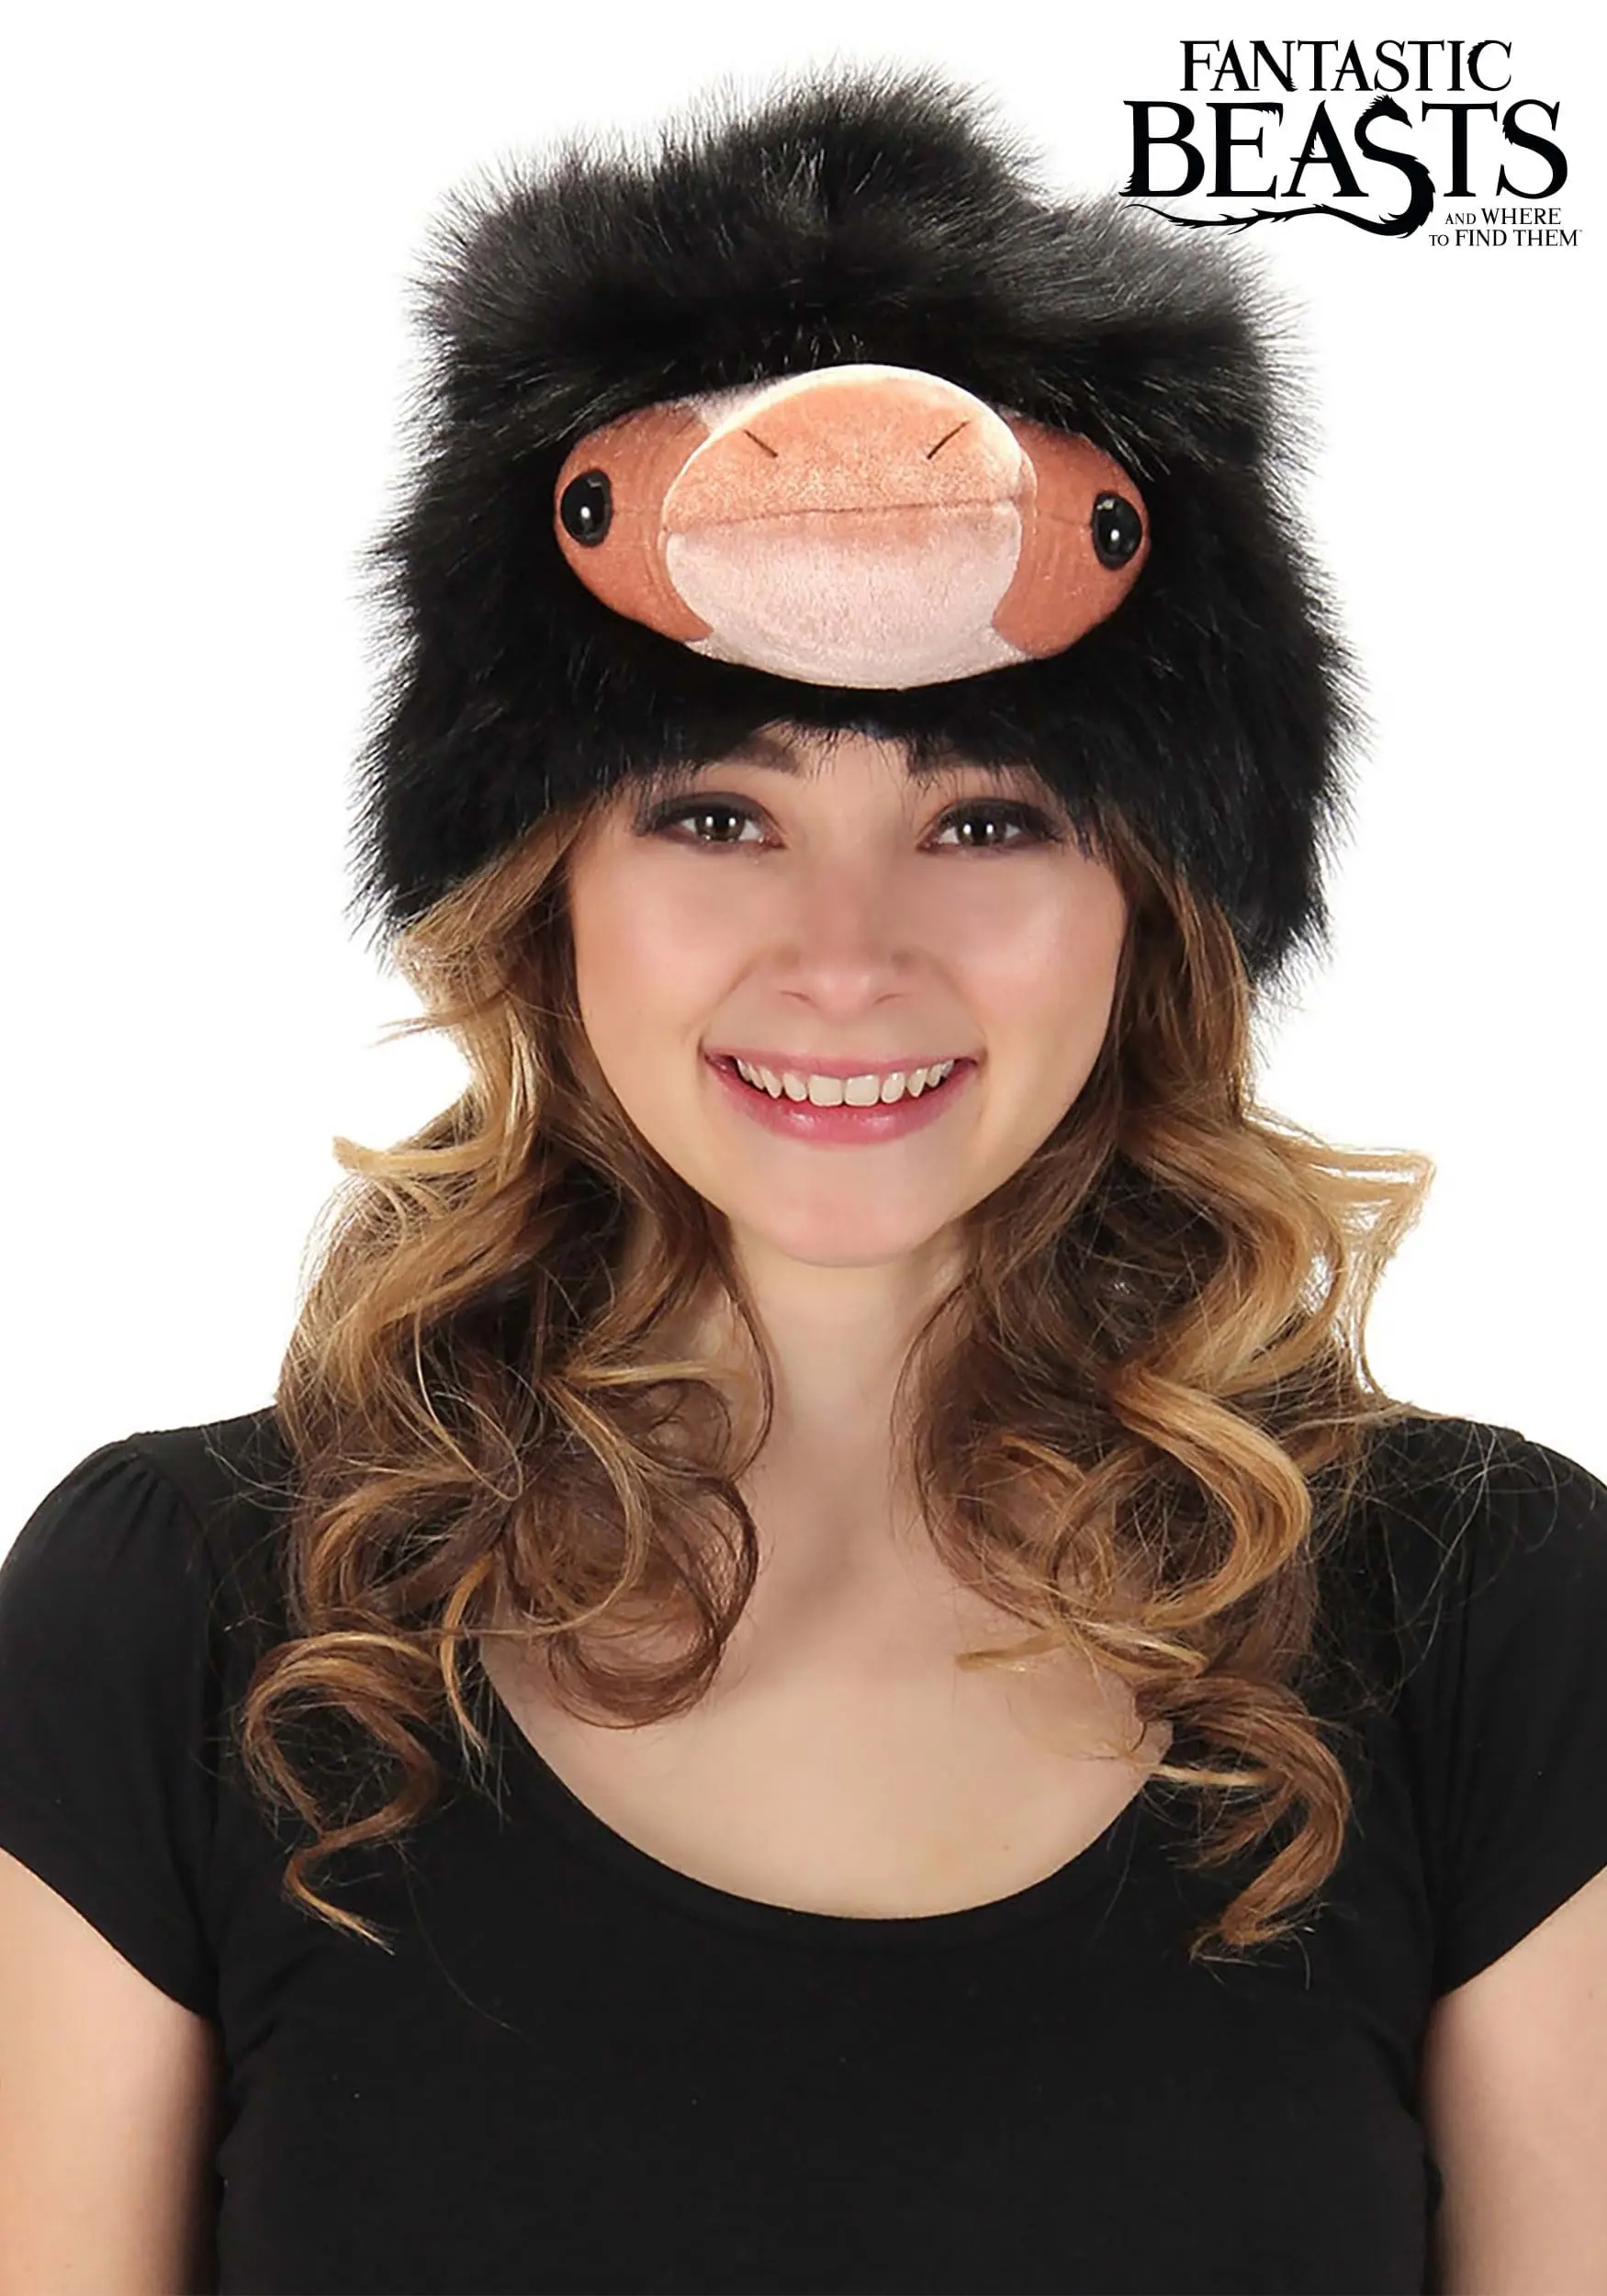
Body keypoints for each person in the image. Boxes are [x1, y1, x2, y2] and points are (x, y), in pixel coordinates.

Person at [2, 59, 1605, 2296]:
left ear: (1150, 897)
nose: (845, 958)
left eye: (985, 815)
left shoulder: (1483, 1615)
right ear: (543, 881)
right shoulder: (181, 1620)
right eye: (714, 811)